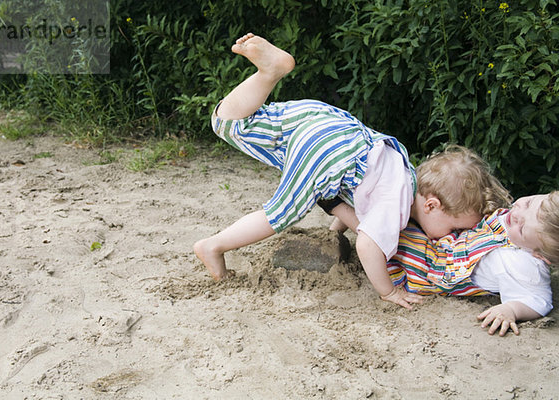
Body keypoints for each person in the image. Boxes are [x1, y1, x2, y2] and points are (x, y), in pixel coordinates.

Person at [193, 33, 508, 309]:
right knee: (280, 213)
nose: (451, 236)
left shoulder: (403, 170)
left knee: (229, 124)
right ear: (432, 205)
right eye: (453, 228)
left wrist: (335, 230)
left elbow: (355, 197)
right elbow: (368, 245)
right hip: (328, 152)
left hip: (332, 125)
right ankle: (213, 245)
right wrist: (387, 291)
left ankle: (269, 72)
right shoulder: (397, 208)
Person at [387, 191, 558, 336]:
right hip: (454, 242)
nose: (516, 214)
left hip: (439, 268)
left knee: (397, 241)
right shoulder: (519, 222)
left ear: (539, 255)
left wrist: (512, 310)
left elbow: (539, 300)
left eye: (521, 228)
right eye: (528, 203)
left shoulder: (524, 265)